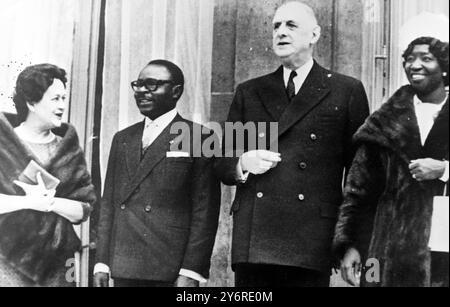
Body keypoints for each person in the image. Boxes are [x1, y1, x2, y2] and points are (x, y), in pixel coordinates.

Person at [214, 1, 370, 287]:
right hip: (255, 241)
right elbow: (222, 162)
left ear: (314, 35)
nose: (281, 32)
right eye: (276, 26)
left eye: (291, 25)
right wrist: (242, 163)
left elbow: (361, 176)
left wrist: (353, 242)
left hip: (311, 238)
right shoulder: (250, 91)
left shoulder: (346, 91)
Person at [333, 37, 449, 287]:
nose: (415, 65)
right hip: (390, 255)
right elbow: (358, 191)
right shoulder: (383, 123)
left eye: (426, 59)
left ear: (445, 67)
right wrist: (350, 245)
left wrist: (444, 169)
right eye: (409, 59)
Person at [94, 60, 221, 287]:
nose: (142, 91)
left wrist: (192, 271)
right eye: (138, 84)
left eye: (151, 85)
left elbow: (205, 211)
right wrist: (102, 262)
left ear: (175, 91)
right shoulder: (123, 139)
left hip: (170, 268)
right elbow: (108, 204)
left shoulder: (199, 137)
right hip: (125, 265)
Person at [0, 63, 96, 287]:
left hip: (57, 264)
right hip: (6, 258)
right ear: (31, 102)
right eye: (55, 99)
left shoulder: (68, 149)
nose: (62, 106)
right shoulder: (3, 145)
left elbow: (82, 210)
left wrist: (50, 203)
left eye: (64, 98)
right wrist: (28, 202)